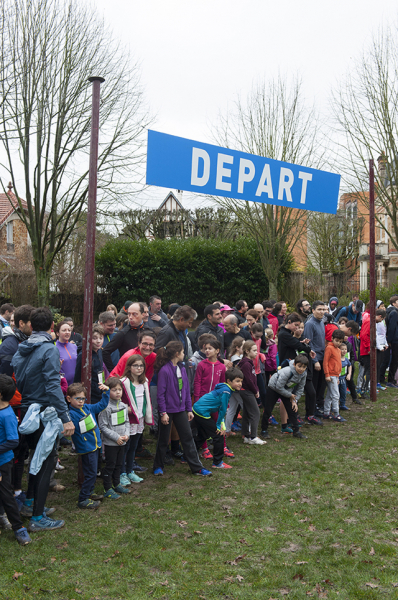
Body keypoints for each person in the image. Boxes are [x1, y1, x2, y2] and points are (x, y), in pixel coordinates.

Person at [12, 306, 74, 532]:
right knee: (46, 462)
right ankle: (38, 517)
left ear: (30, 325)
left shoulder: (22, 347)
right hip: (44, 412)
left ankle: (29, 503)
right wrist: (65, 416)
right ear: (51, 327)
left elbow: (18, 378)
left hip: (26, 409)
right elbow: (52, 384)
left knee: (35, 459)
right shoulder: (49, 349)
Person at [152, 341, 211, 477]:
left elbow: (184, 390)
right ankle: (158, 466)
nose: (185, 354)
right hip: (167, 412)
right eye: (183, 352)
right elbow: (160, 394)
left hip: (180, 410)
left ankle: (197, 468)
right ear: (177, 353)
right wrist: (163, 413)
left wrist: (188, 409)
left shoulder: (182, 368)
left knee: (188, 438)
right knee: (163, 439)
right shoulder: (164, 371)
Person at [67, 382, 110, 509]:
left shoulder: (88, 408)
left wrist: (106, 392)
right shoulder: (71, 415)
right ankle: (83, 498)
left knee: (93, 471)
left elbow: (102, 405)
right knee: (91, 473)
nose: (81, 401)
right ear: (69, 399)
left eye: (83, 398)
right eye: (77, 398)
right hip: (86, 448)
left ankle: (90, 492)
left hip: (96, 446)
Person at [0, 374, 32, 544]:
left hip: (2, 462)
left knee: (6, 494)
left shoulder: (7, 415)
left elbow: (13, 441)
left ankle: (19, 528)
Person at [193, 367, 244, 470]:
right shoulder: (226, 391)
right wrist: (219, 425)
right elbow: (223, 409)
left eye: (241, 381)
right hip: (202, 412)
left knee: (203, 435)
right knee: (219, 435)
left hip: (198, 409)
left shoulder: (226, 388)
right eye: (237, 381)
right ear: (229, 381)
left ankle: (186, 456)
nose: (240, 384)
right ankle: (217, 462)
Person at [118, 354, 153, 486]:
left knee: (134, 446)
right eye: (135, 365)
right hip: (129, 420)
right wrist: (126, 409)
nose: (139, 368)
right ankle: (121, 473)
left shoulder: (144, 382)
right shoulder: (124, 382)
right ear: (129, 367)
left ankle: (130, 470)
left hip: (140, 419)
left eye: (141, 365)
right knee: (125, 447)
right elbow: (117, 400)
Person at [97, 377, 130, 499]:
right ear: (107, 391)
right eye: (114, 390)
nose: (117, 392)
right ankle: (107, 488)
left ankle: (117, 484)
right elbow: (103, 426)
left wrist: (127, 435)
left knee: (119, 464)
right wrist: (116, 437)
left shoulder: (123, 406)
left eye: (119, 390)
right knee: (110, 465)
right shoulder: (105, 408)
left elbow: (127, 422)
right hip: (111, 443)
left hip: (123, 442)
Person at [261, 355, 308, 440]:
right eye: (299, 366)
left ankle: (296, 431)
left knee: (292, 409)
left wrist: (295, 401)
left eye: (304, 367)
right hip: (274, 388)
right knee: (268, 409)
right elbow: (278, 387)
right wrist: (290, 395)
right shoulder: (287, 371)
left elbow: (301, 388)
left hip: (286, 390)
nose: (301, 369)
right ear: (294, 364)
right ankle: (264, 430)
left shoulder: (303, 374)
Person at [237, 340, 266, 445]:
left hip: (247, 391)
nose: (256, 353)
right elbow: (248, 380)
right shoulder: (246, 364)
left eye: (257, 350)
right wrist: (255, 390)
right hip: (247, 391)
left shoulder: (249, 362)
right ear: (247, 351)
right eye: (254, 351)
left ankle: (246, 436)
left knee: (247, 413)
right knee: (256, 413)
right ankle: (253, 437)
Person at [102, 303, 145, 372]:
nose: (130, 317)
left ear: (142, 314)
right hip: (128, 375)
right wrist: (114, 371)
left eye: (134, 314)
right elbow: (105, 352)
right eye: (129, 314)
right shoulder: (123, 333)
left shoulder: (148, 331)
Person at [74, 324, 109, 404]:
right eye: (95, 338)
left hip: (100, 390)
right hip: (90, 395)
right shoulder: (83, 355)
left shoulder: (99, 351)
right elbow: (77, 378)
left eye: (101, 338)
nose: (98, 341)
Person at [304, 301, 327, 415]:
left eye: (323, 309)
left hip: (323, 357)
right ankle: (311, 409)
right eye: (319, 309)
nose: (322, 312)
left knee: (321, 385)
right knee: (313, 385)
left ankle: (318, 405)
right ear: (313, 311)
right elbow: (309, 343)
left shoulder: (322, 322)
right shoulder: (310, 324)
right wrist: (315, 361)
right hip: (315, 359)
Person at [323, 329, 346, 421]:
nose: (338, 343)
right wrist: (327, 374)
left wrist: (338, 376)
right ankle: (336, 413)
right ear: (332, 338)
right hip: (331, 374)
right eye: (337, 341)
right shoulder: (329, 348)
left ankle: (326, 412)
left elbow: (338, 362)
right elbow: (325, 362)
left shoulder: (338, 350)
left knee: (330, 394)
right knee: (336, 395)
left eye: (340, 341)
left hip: (335, 375)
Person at [55, 320, 78, 386]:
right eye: (64, 330)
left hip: (74, 386)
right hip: (61, 386)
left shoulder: (74, 347)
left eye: (69, 330)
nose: (67, 332)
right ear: (57, 333)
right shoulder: (54, 348)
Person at [385, 295, 398, 388]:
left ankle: (392, 378)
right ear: (393, 303)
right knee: (394, 360)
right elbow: (392, 327)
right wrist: (389, 340)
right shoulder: (394, 312)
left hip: (394, 339)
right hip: (395, 340)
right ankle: (391, 380)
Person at [338, 343, 352, 412]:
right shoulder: (337, 359)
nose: (344, 351)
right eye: (342, 349)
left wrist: (349, 374)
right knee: (336, 393)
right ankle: (335, 405)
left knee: (343, 392)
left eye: (345, 349)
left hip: (343, 378)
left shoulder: (346, 359)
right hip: (336, 378)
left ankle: (342, 405)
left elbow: (350, 365)